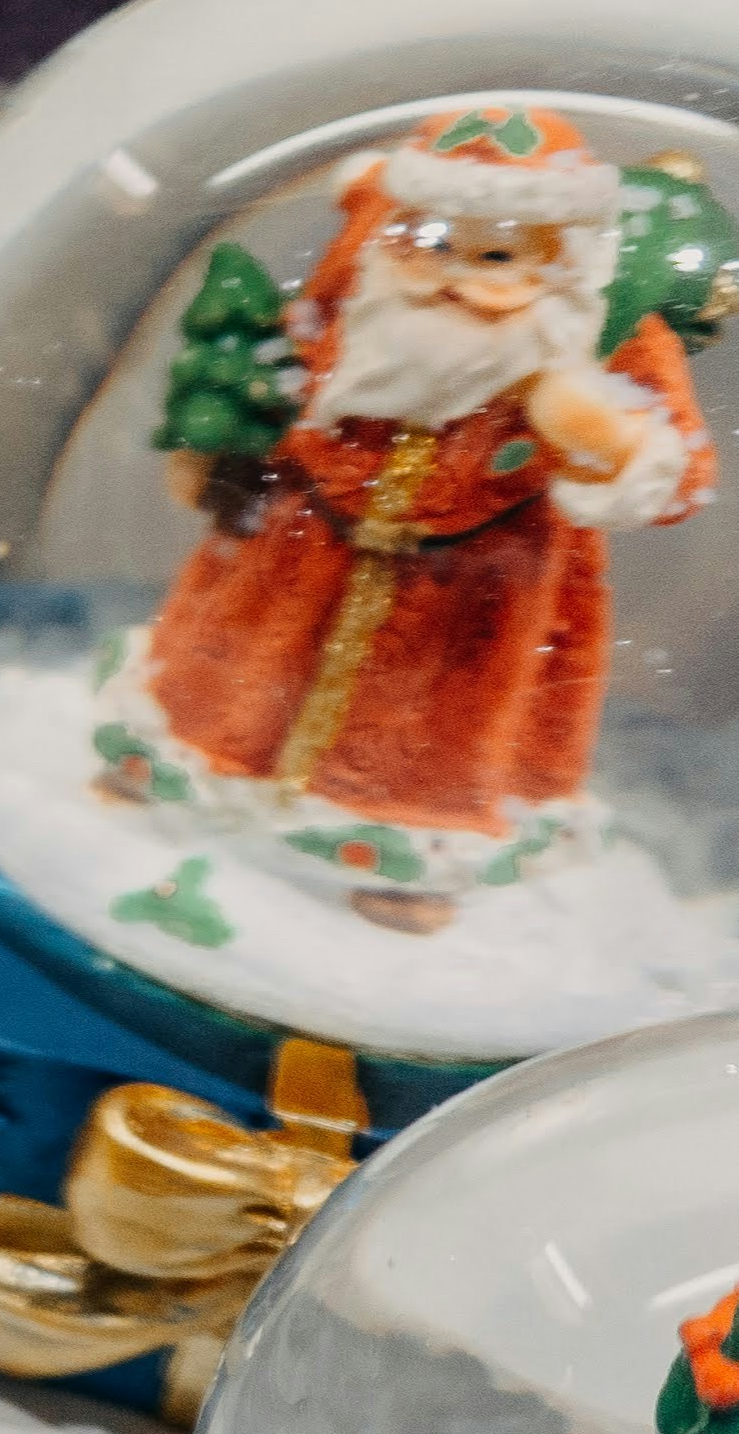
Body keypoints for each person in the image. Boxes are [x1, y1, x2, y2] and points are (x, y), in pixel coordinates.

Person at [100, 106, 713, 926]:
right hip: (305, 542)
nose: (456, 275)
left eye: (497, 255)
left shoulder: (603, 334)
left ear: (561, 254)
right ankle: (177, 768)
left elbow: (680, 475)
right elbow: (291, 360)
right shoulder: (365, 284)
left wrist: (605, 436)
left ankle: (400, 859)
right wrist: (225, 443)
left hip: (481, 590)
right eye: (430, 243)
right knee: (233, 672)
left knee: (428, 734)